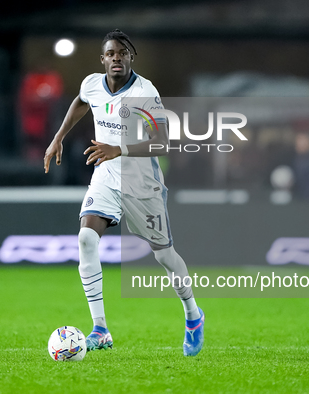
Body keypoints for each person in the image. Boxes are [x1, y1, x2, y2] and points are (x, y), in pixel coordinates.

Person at [43, 29, 204, 356]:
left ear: (131, 58)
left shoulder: (145, 93)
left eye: (122, 53)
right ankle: (100, 329)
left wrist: (119, 149)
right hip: (105, 176)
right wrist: (58, 137)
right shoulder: (91, 84)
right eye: (111, 53)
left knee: (164, 256)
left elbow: (162, 142)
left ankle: (192, 315)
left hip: (141, 182)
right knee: (86, 238)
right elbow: (80, 102)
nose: (117, 58)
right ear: (103, 59)